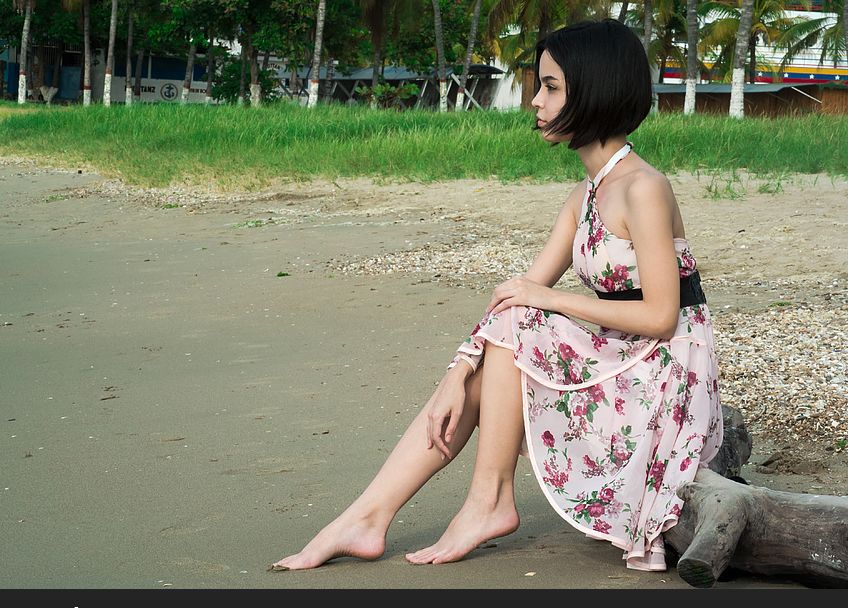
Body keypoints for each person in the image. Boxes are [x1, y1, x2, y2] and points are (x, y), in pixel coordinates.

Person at [273, 18, 722, 573]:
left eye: (551, 86)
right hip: (620, 353)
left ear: (595, 88)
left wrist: (550, 300)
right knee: (502, 340)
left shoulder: (644, 187)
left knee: (525, 319)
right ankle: (368, 515)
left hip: (665, 367)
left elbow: (659, 315)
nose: (535, 100)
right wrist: (455, 372)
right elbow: (514, 296)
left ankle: (486, 501)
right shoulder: (586, 193)